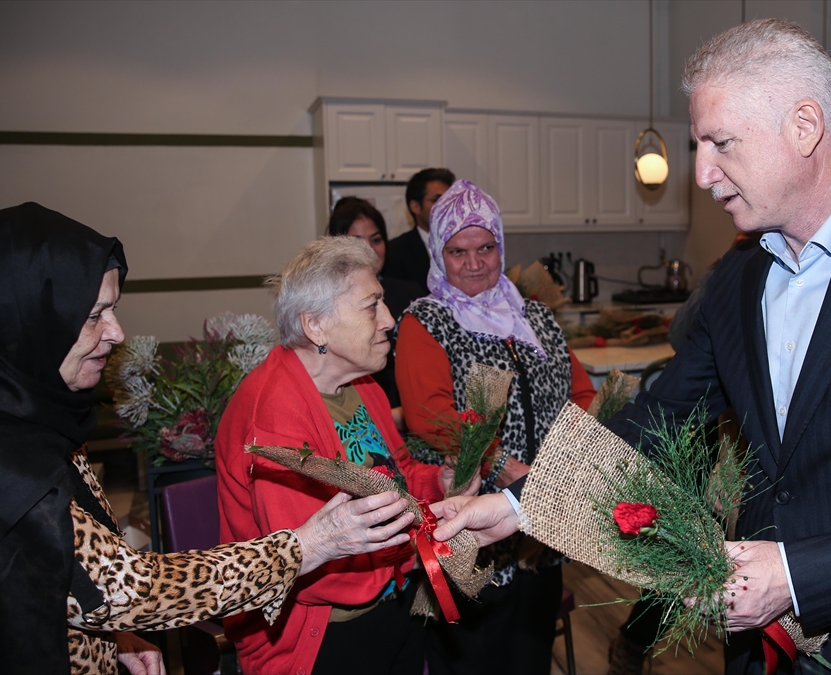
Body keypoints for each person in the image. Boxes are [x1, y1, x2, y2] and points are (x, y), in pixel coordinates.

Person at [433, 19, 831, 675]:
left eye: (721, 143)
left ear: (804, 127)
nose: (702, 173)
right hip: (764, 650)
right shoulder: (739, 277)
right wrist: (516, 504)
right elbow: (658, 418)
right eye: (698, 145)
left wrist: (797, 573)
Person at [0, 203, 416, 675]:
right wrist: (307, 545)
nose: (117, 333)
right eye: (94, 314)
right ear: (19, 319)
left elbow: (61, 580)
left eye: (112, 310)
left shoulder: (24, 414)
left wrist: (112, 635)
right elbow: (124, 588)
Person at [216, 236, 466, 675]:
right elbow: (308, 558)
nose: (390, 319)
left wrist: (438, 484)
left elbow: (399, 474)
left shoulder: (360, 384)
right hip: (319, 634)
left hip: (388, 601)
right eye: (372, 306)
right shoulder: (274, 412)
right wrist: (416, 553)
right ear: (316, 326)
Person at [394, 180, 595, 675]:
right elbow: (430, 418)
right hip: (469, 529)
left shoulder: (536, 317)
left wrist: (568, 461)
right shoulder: (426, 322)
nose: (475, 262)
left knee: (529, 655)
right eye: (458, 251)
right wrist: (505, 468)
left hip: (540, 532)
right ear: (440, 255)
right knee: (473, 659)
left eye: (486, 247)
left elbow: (583, 394)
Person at [328, 196, 426, 408]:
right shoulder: (330, 305)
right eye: (357, 242)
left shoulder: (411, 292)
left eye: (376, 240)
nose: (369, 251)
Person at [382, 167, 456, 293]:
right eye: (437, 200)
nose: (447, 206)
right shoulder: (395, 252)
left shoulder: (467, 245)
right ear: (415, 206)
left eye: (450, 200)